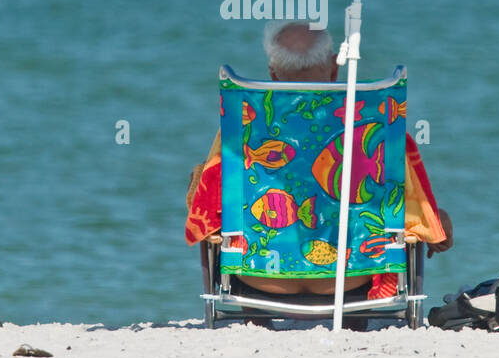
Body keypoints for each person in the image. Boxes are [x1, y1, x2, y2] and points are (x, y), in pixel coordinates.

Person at [185, 20, 452, 297]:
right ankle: (355, 320)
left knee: (202, 176)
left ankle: (256, 315)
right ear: (335, 69)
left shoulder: (242, 126)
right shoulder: (378, 125)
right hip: (351, 278)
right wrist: (436, 220)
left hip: (258, 278)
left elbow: (208, 204)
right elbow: (407, 203)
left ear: (273, 75)